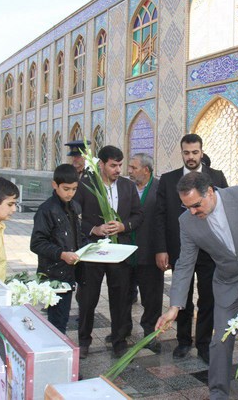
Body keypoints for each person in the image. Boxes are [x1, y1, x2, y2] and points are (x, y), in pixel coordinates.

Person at [156, 172, 238, 400]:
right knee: (220, 341)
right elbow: (185, 263)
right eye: (186, 207)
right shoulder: (186, 222)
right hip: (228, 282)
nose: (192, 212)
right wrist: (174, 306)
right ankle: (218, 393)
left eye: (196, 205)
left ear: (209, 192)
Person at [154, 133, 228, 363]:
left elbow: (225, 211)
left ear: (201, 152)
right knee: (182, 296)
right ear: (182, 153)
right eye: (187, 153)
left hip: (209, 251)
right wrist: (161, 248)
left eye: (195, 152)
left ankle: (204, 344)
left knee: (208, 298)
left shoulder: (216, 177)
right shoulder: (168, 180)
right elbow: (159, 216)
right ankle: (184, 341)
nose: (191, 157)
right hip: (180, 249)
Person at [74, 145, 143, 359]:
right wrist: (93, 229)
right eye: (113, 165)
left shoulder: (127, 186)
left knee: (120, 298)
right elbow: (74, 216)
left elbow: (138, 215)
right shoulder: (86, 185)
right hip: (93, 251)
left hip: (119, 251)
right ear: (101, 164)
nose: (118, 170)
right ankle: (84, 341)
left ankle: (119, 341)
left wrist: (123, 226)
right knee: (88, 299)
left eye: (120, 165)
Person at [30, 164, 86, 335]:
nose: (70, 193)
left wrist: (91, 248)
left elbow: (78, 236)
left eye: (74, 189)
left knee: (62, 317)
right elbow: (37, 243)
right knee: (57, 321)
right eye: (66, 189)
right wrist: (61, 254)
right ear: (55, 185)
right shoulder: (46, 210)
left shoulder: (75, 206)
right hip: (53, 274)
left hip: (70, 272)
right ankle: (54, 348)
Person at [126, 153, 162, 353]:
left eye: (134, 167)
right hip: (126, 252)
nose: (129, 171)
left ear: (146, 170)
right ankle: (122, 330)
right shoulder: (126, 187)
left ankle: (150, 333)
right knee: (123, 295)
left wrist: (163, 250)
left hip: (150, 252)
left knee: (151, 297)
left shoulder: (160, 189)